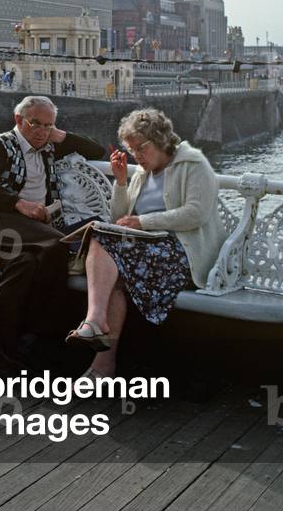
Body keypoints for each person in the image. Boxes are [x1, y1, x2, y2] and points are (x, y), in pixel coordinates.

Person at [66, 108, 227, 376]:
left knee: (105, 246)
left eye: (141, 148)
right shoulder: (142, 174)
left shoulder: (193, 164)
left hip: (184, 255)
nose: (136, 156)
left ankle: (96, 331)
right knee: (106, 255)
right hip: (146, 249)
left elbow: (195, 213)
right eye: (131, 150)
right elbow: (119, 220)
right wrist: (120, 183)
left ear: (161, 139)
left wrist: (143, 222)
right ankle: (101, 356)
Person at [0, 95, 105, 380]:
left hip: (19, 230)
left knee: (25, 263)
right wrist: (18, 203)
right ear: (18, 120)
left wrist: (59, 135)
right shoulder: (0, 145)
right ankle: (31, 340)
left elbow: (96, 149)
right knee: (56, 244)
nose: (41, 131)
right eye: (35, 123)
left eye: (48, 125)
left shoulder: (49, 146)